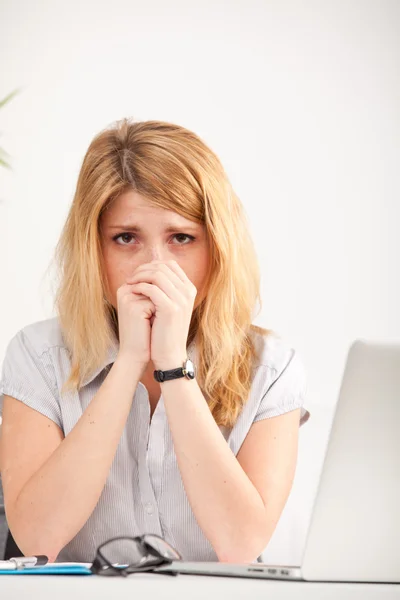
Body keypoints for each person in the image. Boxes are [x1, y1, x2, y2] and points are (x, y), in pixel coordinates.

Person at [0, 118, 310, 565]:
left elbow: (241, 545)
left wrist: (171, 365)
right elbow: (37, 539)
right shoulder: (37, 355)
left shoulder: (272, 368)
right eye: (125, 238)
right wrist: (128, 362)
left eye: (181, 238)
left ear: (217, 248)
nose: (154, 266)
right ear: (94, 250)